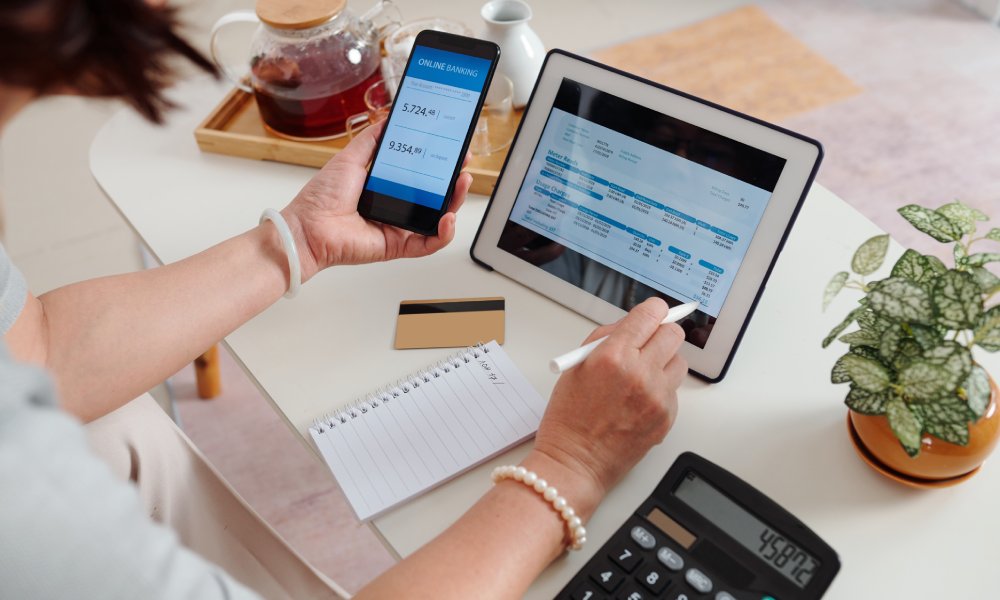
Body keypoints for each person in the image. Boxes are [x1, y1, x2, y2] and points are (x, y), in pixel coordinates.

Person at [0, 1, 688, 598]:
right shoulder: (22, 489)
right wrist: (573, 465)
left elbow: (36, 350)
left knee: (123, 427)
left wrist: (298, 241)